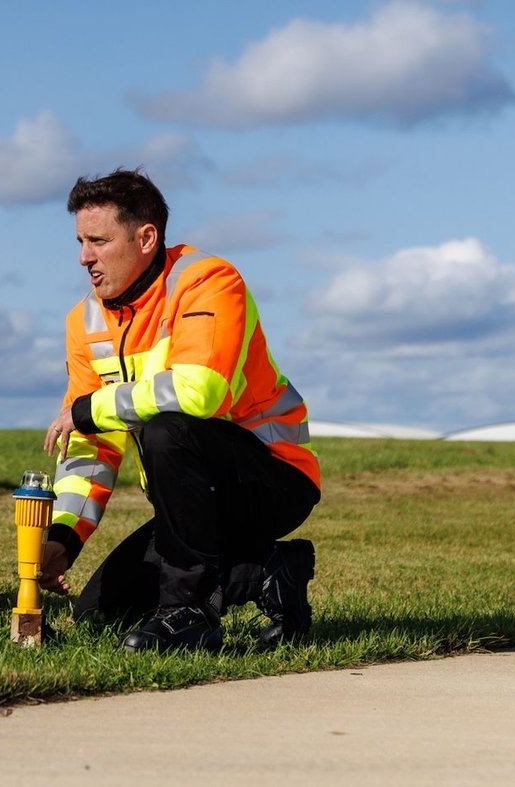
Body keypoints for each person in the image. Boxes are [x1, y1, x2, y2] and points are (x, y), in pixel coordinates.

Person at [40, 168, 321, 652]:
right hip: (189, 503)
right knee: (98, 614)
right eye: (80, 242)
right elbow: (92, 444)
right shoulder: (84, 320)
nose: (85, 257)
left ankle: (188, 613)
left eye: (98, 241)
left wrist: (92, 407)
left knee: (166, 428)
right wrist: (64, 538)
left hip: (273, 480)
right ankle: (270, 571)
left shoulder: (207, 281)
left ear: (146, 237)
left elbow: (199, 392)